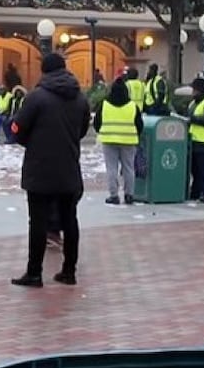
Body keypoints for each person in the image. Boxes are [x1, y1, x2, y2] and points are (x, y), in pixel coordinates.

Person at [10, 53, 90, 288]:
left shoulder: (37, 97)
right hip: (69, 168)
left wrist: (30, 142)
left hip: (40, 169)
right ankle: (69, 271)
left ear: (44, 71)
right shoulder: (80, 99)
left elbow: (18, 128)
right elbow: (82, 130)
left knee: (38, 222)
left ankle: (34, 273)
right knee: (70, 220)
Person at [93, 77, 144, 205]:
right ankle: (129, 195)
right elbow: (139, 125)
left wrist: (102, 131)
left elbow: (96, 122)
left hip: (109, 140)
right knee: (129, 168)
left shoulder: (104, 104)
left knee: (111, 169)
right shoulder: (133, 106)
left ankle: (114, 195)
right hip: (129, 141)